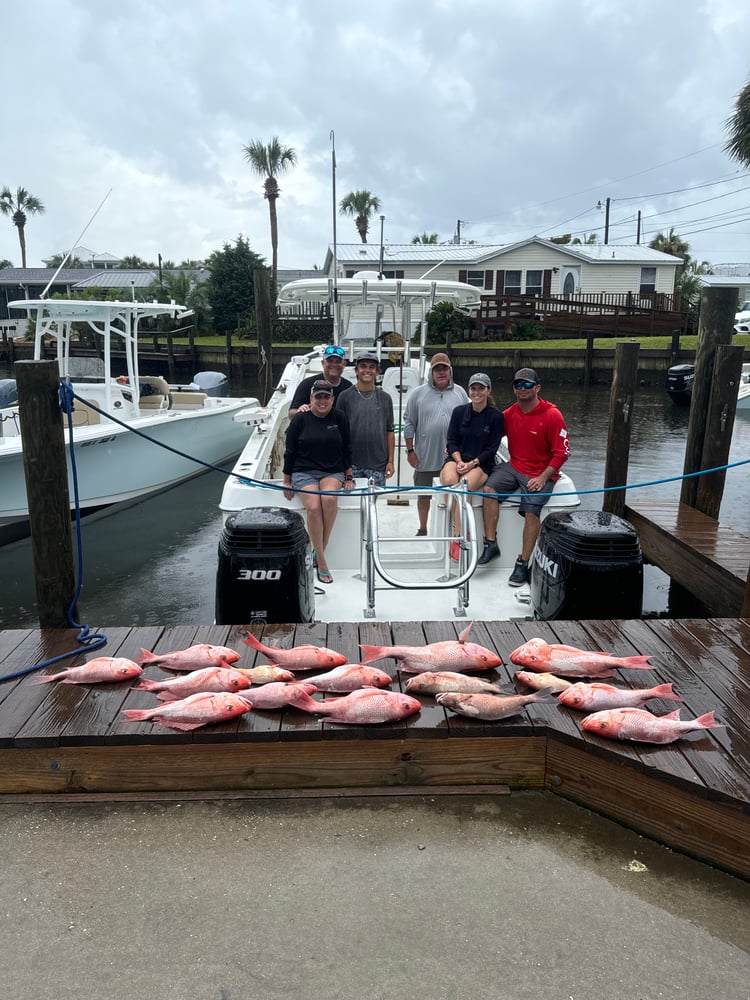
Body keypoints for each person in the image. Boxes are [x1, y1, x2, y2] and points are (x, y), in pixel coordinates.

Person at [478, 367, 570, 586]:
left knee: (531, 511)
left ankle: (522, 563)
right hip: (515, 466)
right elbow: (488, 436)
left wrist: (542, 477)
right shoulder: (509, 414)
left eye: (528, 384)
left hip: (542, 472)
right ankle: (491, 544)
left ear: (537, 387)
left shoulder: (552, 415)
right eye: (518, 384)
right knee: (489, 490)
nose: (523, 388)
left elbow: (562, 452)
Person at [282, 379, 356, 584]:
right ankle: (322, 562)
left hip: (332, 471)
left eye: (326, 397)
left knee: (330, 499)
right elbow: (290, 451)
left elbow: (347, 448)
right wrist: (287, 480)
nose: (322, 401)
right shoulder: (300, 419)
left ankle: (317, 552)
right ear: (311, 399)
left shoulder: (339, 417)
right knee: (314, 507)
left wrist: (348, 477)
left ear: (332, 399)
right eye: (318, 397)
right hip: (303, 471)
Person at [440, 373, 505, 560]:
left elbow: (492, 449)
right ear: (469, 391)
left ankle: (459, 537)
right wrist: (459, 460)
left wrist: (472, 464)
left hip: (481, 464)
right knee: (451, 480)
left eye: (481, 388)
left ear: (488, 390)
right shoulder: (459, 412)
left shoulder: (496, 417)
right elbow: (451, 440)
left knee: (463, 486)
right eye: (473, 388)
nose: (477, 392)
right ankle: (457, 530)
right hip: (457, 459)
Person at [403, 352, 469, 535]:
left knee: (451, 494)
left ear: (450, 370)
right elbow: (409, 424)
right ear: (431, 372)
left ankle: (449, 529)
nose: (441, 372)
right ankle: (423, 528)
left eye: (444, 368)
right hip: (425, 456)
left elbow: (468, 422)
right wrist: (410, 451)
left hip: (453, 458)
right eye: (437, 369)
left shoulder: (461, 393)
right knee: (423, 496)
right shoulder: (417, 394)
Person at [336, 351, 395, 487]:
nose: (367, 370)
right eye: (363, 366)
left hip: (378, 465)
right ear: (357, 370)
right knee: (353, 503)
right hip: (352, 464)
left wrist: (390, 461)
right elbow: (338, 433)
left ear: (377, 371)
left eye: (371, 367)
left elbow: (389, 432)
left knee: (372, 504)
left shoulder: (386, 398)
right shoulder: (345, 397)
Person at [288, 344, 352, 419]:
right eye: (330, 361)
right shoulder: (307, 384)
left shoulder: (348, 387)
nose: (334, 364)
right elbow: (291, 414)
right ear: (323, 363)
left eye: (338, 361)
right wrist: (301, 411)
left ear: (344, 364)